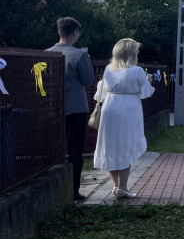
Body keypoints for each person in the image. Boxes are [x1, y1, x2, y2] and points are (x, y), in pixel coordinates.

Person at [93, 38, 155, 199]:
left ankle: (116, 186)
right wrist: (148, 82)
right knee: (126, 144)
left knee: (111, 145)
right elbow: (146, 92)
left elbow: (102, 91)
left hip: (110, 107)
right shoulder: (136, 71)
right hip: (129, 108)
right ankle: (123, 186)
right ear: (131, 54)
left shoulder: (108, 69)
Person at [46, 17, 94, 201]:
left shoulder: (47, 54)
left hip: (53, 107)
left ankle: (54, 189)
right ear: (74, 32)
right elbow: (88, 80)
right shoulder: (80, 55)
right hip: (76, 108)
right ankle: (73, 190)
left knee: (54, 148)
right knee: (75, 150)